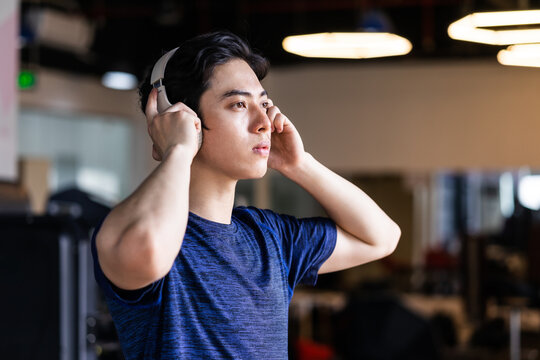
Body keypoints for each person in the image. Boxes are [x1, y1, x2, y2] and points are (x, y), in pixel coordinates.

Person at [91, 31, 401, 359]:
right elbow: (147, 251)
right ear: (178, 116)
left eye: (264, 104)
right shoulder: (142, 235)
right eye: (239, 104)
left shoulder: (271, 238)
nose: (264, 122)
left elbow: (381, 238)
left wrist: (300, 165)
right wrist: (178, 149)